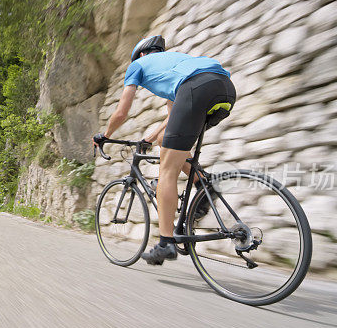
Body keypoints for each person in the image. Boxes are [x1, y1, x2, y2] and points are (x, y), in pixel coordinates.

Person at [92, 35, 236, 265]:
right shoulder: (178, 63)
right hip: (225, 89)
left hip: (195, 91)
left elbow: (121, 112)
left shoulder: (136, 66)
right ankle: (203, 184)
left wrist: (105, 135)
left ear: (141, 55)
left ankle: (165, 243)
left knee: (166, 174)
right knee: (165, 142)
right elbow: (173, 118)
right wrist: (149, 138)